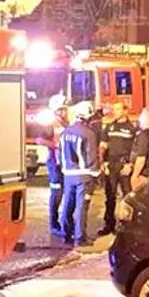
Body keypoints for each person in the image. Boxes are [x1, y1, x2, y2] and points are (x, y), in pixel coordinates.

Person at [58, 101, 100, 247]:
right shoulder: (88, 133)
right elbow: (91, 157)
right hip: (84, 176)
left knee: (67, 204)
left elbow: (60, 154)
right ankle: (80, 237)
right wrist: (96, 174)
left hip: (68, 175)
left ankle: (65, 234)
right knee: (81, 207)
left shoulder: (64, 132)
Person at [98, 100, 137, 236]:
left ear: (125, 111)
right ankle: (109, 225)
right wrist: (102, 162)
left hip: (124, 165)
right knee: (110, 196)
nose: (115, 112)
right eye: (114, 109)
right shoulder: (109, 127)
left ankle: (127, 226)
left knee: (127, 197)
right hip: (111, 165)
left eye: (118, 109)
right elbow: (103, 146)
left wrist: (130, 164)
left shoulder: (132, 128)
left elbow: (136, 149)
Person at [36, 95, 68, 236]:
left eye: (65, 109)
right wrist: (56, 145)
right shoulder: (50, 123)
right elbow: (39, 140)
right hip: (55, 163)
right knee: (56, 193)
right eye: (62, 109)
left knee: (66, 193)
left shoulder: (65, 122)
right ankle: (54, 224)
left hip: (64, 163)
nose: (64, 112)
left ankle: (64, 223)